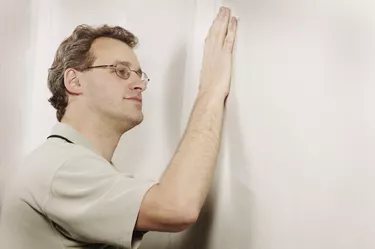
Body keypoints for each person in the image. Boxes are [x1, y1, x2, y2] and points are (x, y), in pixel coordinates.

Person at [0, 6, 237, 249]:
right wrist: (211, 90)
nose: (139, 85)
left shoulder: (75, 164)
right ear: (74, 80)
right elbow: (177, 206)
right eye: (121, 71)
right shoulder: (62, 167)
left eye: (139, 75)